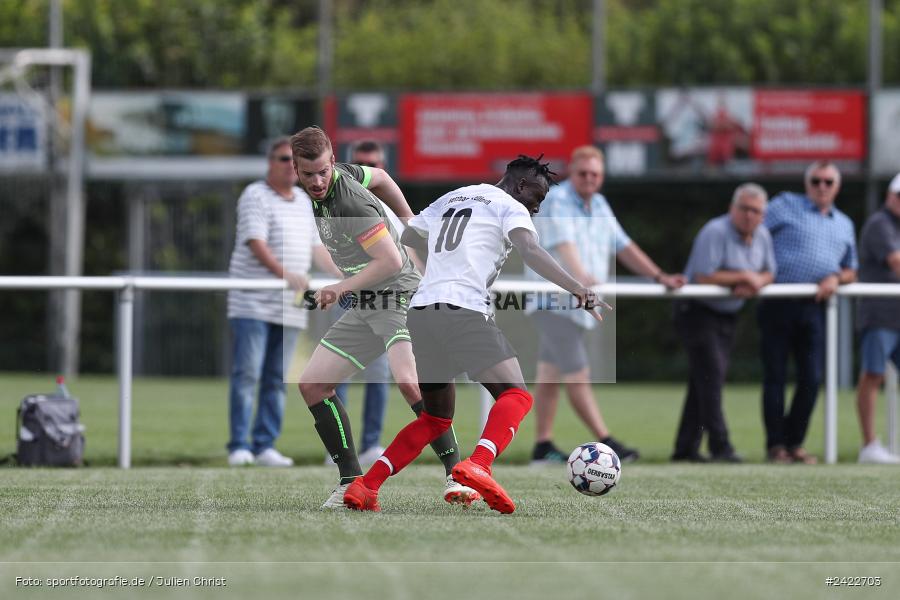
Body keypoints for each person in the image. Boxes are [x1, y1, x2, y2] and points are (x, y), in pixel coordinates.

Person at [342, 155, 605, 514]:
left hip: (422, 310)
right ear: (521, 185)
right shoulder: (511, 206)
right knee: (516, 396)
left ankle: (366, 486)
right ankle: (479, 463)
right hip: (462, 309)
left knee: (434, 419)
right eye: (537, 197)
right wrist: (577, 288)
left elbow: (411, 235)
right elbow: (530, 249)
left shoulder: (453, 196)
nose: (537, 207)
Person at [290, 126, 476, 508]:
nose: (318, 181)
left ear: (331, 162)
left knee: (410, 383)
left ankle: (458, 475)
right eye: (308, 174)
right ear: (296, 169)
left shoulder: (349, 205)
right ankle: (349, 482)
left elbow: (390, 260)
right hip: (366, 301)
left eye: (323, 171)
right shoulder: (341, 174)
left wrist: (339, 288)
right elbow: (381, 177)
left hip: (397, 294)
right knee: (312, 385)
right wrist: (410, 219)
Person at [527, 145, 685, 465]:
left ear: (601, 177)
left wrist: (659, 276)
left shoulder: (599, 203)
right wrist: (582, 281)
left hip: (574, 303)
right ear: (572, 172)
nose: (589, 179)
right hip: (553, 300)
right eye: (583, 173)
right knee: (577, 371)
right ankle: (606, 440)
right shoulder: (558, 200)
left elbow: (624, 246)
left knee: (549, 373)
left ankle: (542, 447)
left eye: (595, 174)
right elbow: (564, 245)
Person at [226, 137, 337, 467]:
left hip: (289, 306)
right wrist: (286, 274)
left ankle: (265, 446)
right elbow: (255, 242)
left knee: (277, 378)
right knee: (247, 374)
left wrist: (346, 275)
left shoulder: (303, 201)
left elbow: (317, 248)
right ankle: (239, 446)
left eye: (295, 160)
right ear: (270, 162)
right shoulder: (255, 194)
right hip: (253, 303)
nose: (290, 165)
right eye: (283, 158)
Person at [759, 161, 857, 464]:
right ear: (807, 183)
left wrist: (836, 278)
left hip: (814, 306)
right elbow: (752, 232)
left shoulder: (844, 223)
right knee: (775, 376)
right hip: (778, 301)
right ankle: (776, 446)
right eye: (816, 181)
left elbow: (851, 269)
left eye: (828, 181)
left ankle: (795, 443)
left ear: (837, 186)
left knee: (812, 378)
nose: (822, 187)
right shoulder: (784, 205)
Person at [672, 183, 775, 463]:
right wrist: (743, 277)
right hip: (697, 311)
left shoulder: (763, 236)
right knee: (711, 377)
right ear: (732, 208)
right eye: (744, 208)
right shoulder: (715, 231)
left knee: (703, 381)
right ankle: (721, 446)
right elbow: (704, 275)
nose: (749, 215)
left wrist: (755, 281)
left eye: (755, 211)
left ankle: (685, 449)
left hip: (726, 315)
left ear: (763, 215)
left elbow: (769, 273)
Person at [328, 141, 395, 466]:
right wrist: (346, 283)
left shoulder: (388, 208)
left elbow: (402, 256)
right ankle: (339, 446)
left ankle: (371, 444)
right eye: (359, 163)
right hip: (350, 297)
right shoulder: (336, 204)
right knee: (334, 372)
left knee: (380, 373)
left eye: (372, 164)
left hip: (383, 299)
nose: (365, 170)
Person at [854, 173, 900, 464]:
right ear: (889, 195)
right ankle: (869, 445)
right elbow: (897, 263)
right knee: (873, 375)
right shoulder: (880, 223)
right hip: (879, 315)